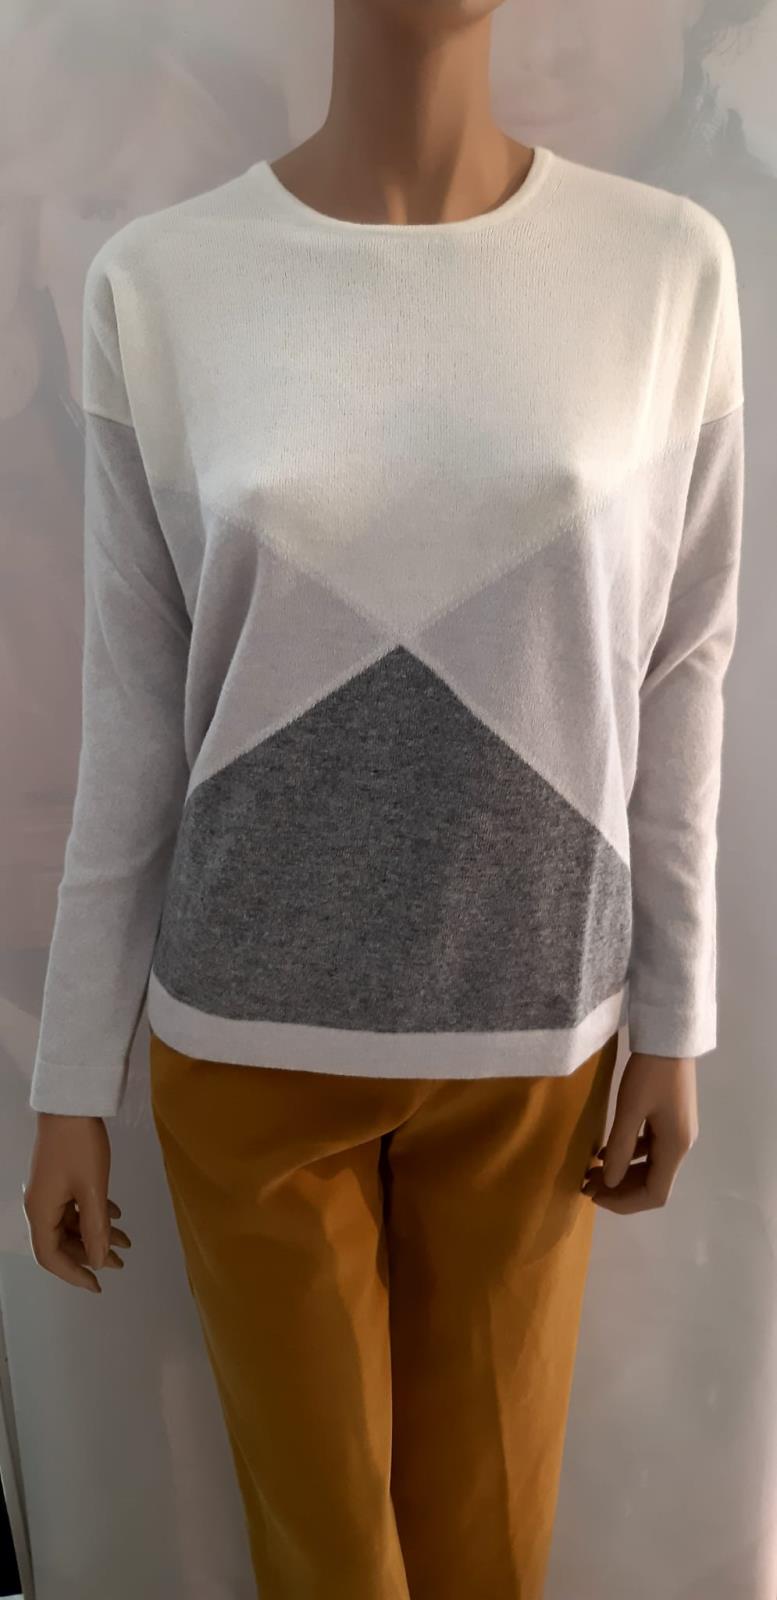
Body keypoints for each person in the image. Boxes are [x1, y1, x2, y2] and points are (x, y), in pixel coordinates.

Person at [22, 0, 745, 1593]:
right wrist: (69, 1080)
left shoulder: (662, 268)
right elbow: (134, 723)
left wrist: (675, 1021)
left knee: (488, 1549)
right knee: (324, 1559)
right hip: (242, 1041)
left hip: (533, 1034)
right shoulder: (160, 281)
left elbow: (681, 673)